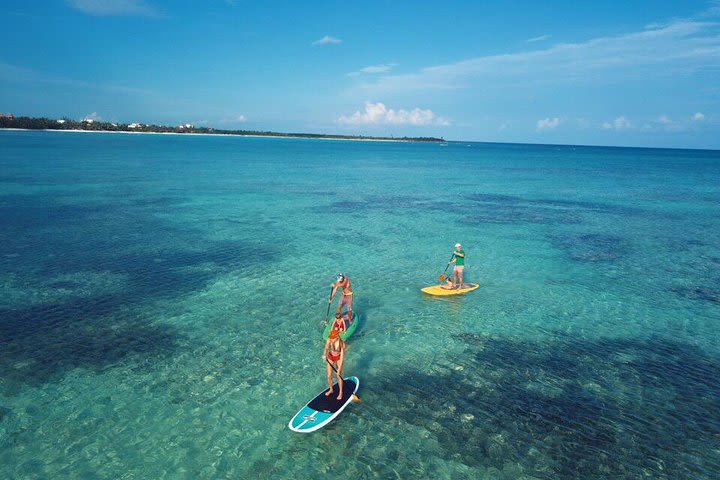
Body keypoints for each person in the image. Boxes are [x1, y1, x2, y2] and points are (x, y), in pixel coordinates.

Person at [323, 328, 345, 400]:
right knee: (329, 376)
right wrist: (324, 354)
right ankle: (331, 389)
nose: (331, 339)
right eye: (331, 338)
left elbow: (341, 358)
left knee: (338, 375)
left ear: (337, 337)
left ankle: (341, 392)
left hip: (338, 358)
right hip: (330, 357)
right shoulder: (329, 339)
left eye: (333, 338)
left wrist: (339, 369)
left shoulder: (342, 344)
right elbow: (326, 347)